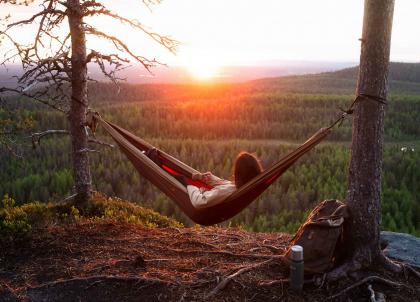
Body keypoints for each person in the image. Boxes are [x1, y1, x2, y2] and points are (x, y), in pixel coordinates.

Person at [145, 149, 263, 209]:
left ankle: (152, 162)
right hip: (204, 190)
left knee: (181, 178)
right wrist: (210, 178)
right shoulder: (245, 186)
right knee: (184, 175)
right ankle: (154, 160)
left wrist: (191, 186)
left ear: (238, 172)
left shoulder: (227, 192)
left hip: (197, 196)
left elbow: (199, 202)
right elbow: (226, 184)